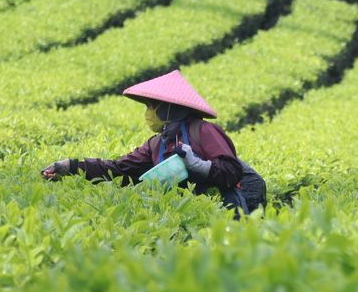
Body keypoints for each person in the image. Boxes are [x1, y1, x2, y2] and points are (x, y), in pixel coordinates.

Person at [41, 69, 265, 215]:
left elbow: (230, 170)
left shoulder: (204, 131)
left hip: (236, 199)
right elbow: (120, 170)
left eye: (151, 106)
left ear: (169, 107)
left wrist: (197, 165)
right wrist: (70, 166)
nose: (148, 113)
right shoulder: (157, 143)